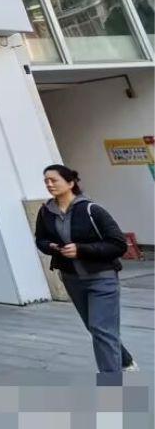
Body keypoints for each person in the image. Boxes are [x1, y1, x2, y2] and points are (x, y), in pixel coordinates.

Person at [34, 163, 136, 381]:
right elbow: (40, 239)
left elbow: (118, 244)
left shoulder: (92, 210)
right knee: (96, 328)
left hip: (102, 278)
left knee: (101, 328)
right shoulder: (45, 212)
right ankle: (125, 360)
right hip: (72, 279)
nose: (49, 184)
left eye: (54, 180)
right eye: (46, 181)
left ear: (70, 182)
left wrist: (81, 249)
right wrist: (51, 246)